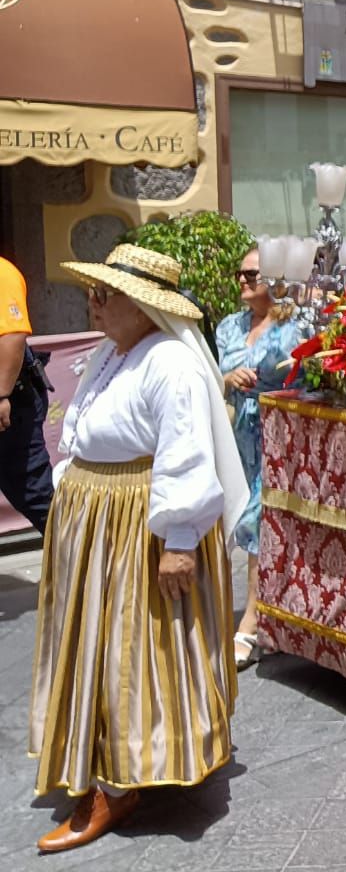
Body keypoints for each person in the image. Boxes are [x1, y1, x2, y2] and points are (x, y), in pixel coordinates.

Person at [32, 244, 248, 852]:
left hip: (137, 523)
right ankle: (108, 761)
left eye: (105, 295)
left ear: (143, 305)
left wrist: (178, 541)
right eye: (94, 293)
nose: (92, 303)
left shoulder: (171, 364)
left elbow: (186, 452)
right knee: (95, 642)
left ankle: (119, 780)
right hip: (98, 517)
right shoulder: (114, 353)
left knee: (131, 646)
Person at [216, 247, 311, 669]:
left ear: (273, 277)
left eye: (251, 274)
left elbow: (310, 373)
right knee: (241, 521)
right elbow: (215, 375)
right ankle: (269, 613)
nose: (242, 280)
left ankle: (250, 623)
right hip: (239, 434)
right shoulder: (228, 327)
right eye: (239, 273)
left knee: (256, 521)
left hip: (279, 432)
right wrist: (227, 377)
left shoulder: (295, 323)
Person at [0, 254, 54, 532]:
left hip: (12, 402)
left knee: (35, 492)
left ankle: (87, 561)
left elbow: (12, 335)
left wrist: (1, 395)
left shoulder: (2, 272)